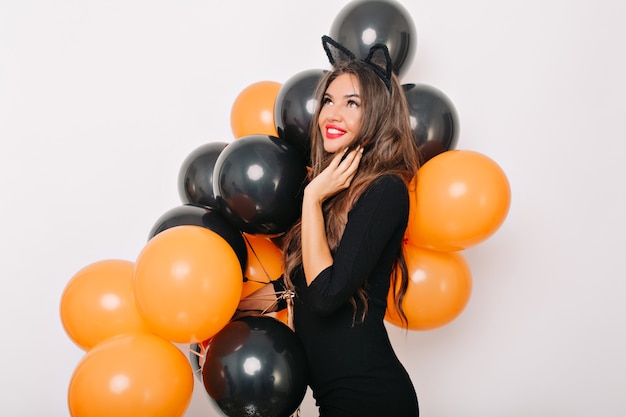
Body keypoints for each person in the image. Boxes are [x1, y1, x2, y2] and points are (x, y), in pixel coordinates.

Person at [238, 35, 420, 417]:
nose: (331, 115)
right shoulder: (330, 192)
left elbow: (326, 294)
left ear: (377, 117)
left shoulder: (386, 189)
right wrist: (232, 309)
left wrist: (311, 199)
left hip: (371, 398)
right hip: (335, 400)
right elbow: (301, 284)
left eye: (352, 103)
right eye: (327, 101)